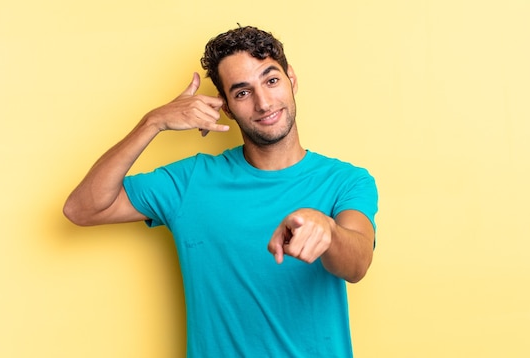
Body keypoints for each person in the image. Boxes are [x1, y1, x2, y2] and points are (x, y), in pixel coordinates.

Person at [63, 25, 378, 357]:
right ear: (226, 106)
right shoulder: (191, 181)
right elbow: (82, 208)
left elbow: (357, 264)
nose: (263, 103)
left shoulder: (346, 180)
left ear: (291, 79)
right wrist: (152, 122)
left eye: (271, 81)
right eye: (242, 92)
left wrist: (327, 230)